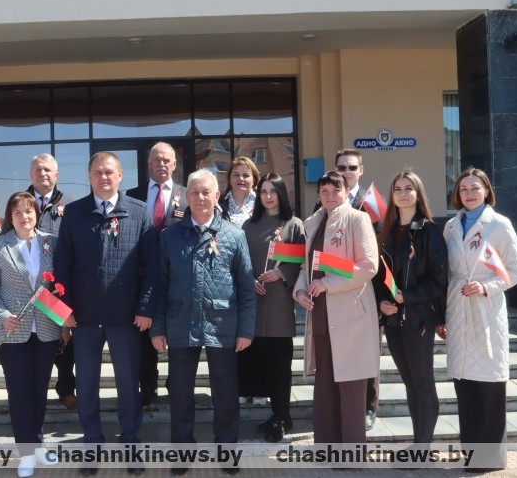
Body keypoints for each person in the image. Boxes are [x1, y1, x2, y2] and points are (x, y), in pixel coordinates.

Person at [53, 152, 158, 476]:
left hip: (126, 318)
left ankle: (130, 442)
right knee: (86, 386)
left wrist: (145, 307)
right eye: (97, 172)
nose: (104, 177)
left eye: (109, 172)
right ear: (89, 176)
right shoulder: (73, 213)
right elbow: (62, 265)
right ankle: (92, 444)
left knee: (128, 385)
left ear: (120, 175)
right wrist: (63, 310)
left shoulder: (138, 211)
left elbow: (152, 267)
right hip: (84, 318)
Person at [151, 168, 255, 475]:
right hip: (180, 323)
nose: (199, 197)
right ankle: (182, 452)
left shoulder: (234, 235)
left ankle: (227, 451)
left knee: (226, 394)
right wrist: (158, 327)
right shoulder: (169, 236)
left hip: (223, 325)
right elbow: (160, 285)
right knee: (180, 393)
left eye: (205, 192)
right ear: (185, 196)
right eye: (194, 192)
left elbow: (246, 287)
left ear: (216, 195)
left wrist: (245, 330)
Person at [441, 168, 517, 466]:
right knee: (465, 385)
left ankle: (490, 459)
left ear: (487, 191)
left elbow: (516, 270)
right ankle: (471, 455)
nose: (469, 193)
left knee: (489, 385)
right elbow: (446, 271)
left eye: (475, 187)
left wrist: (486, 287)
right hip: (458, 308)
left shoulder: (499, 225)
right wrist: (441, 314)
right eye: (463, 188)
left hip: (486, 310)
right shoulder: (451, 226)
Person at [294, 170, 380, 444]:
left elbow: (369, 266)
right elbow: (305, 266)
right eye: (324, 191)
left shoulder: (357, 218)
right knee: (325, 385)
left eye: (335, 190)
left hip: (351, 315)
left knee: (351, 387)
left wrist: (327, 283)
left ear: (346, 192)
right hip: (320, 312)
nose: (330, 196)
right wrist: (300, 290)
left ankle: (351, 454)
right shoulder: (312, 222)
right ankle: (326, 448)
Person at [0, 192, 61, 478]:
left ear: (37, 214)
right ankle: (26, 452)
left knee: (39, 390)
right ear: (10, 217)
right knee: (20, 392)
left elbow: (59, 285)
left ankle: (38, 445)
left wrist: (64, 320)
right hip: (13, 332)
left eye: (29, 211)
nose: (24, 216)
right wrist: (2, 316)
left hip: (46, 329)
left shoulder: (51, 242)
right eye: (18, 212)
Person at [371, 170, 447, 443]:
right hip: (393, 320)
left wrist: (409, 297)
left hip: (419, 319)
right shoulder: (385, 231)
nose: (403, 193)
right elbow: (379, 275)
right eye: (397, 189)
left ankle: (422, 448)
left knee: (423, 384)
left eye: (408, 188)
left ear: (418, 193)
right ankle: (418, 443)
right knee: (410, 384)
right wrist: (381, 302)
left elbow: (439, 279)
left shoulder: (429, 230)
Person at [241, 173, 304, 443]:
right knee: (262, 365)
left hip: (279, 303)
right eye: (263, 191)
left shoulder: (294, 225)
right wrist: (248, 279)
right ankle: (276, 414)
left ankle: (281, 416)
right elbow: (239, 260)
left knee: (280, 365)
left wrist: (282, 273)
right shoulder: (249, 225)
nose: (268, 196)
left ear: (281, 194)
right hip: (254, 303)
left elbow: (302, 262)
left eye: (273, 191)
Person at [126, 142, 188, 406]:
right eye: (156, 160)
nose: (161, 164)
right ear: (148, 163)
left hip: (176, 277)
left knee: (176, 333)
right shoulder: (132, 195)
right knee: (143, 332)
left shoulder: (187, 195)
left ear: (174, 164)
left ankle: (176, 385)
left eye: (166, 160)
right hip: (142, 277)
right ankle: (147, 387)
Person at [332, 148, 382, 429]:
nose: (347, 172)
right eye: (342, 168)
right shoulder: (327, 199)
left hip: (365, 288)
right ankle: (345, 404)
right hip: (337, 290)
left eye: (352, 167)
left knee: (367, 351)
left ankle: (368, 407)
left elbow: (382, 249)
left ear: (361, 170)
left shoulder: (371, 203)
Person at [25, 153, 78, 411]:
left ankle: (66, 388)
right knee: (36, 341)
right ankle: (34, 394)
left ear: (56, 175)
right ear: (30, 174)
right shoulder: (20, 202)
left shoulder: (71, 204)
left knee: (65, 340)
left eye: (47, 170)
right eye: (37, 169)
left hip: (60, 285)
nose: (42, 173)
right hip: (29, 284)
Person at [220, 157, 260, 229]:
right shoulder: (218, 204)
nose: (241, 178)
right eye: (236, 175)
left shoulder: (262, 202)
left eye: (246, 175)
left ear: (254, 180)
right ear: (230, 179)